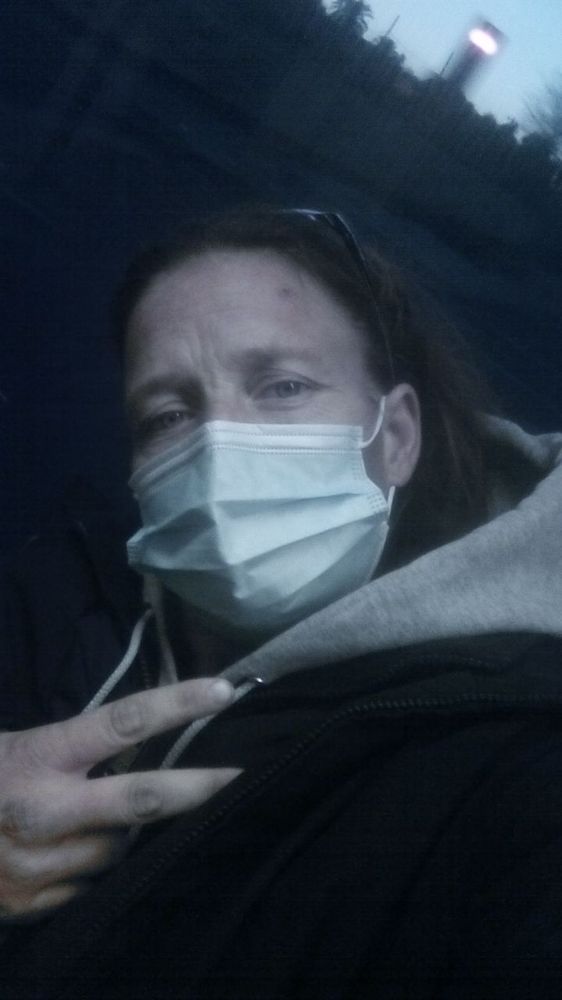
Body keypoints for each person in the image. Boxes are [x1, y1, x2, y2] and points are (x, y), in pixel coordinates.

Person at [1, 205, 562, 999]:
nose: (220, 447)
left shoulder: (515, 749)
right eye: (168, 415)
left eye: (284, 387)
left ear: (396, 437)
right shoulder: (54, 590)